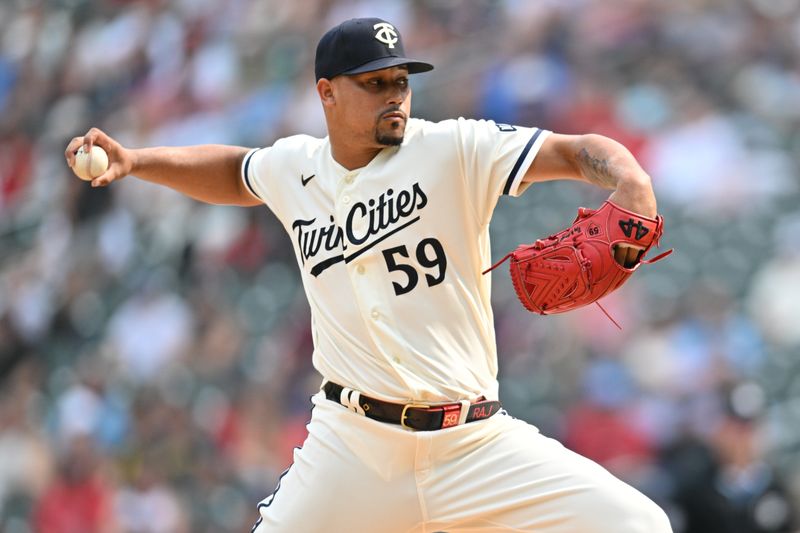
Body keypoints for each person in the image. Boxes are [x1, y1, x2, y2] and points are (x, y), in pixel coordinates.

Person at [65, 17, 672, 533]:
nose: (394, 95)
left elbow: (575, 149)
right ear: (327, 93)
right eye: (375, 83)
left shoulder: (454, 149)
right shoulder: (295, 168)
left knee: (639, 525)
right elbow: (235, 172)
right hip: (351, 447)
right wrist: (136, 161)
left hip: (473, 444)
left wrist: (632, 180)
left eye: (401, 82)